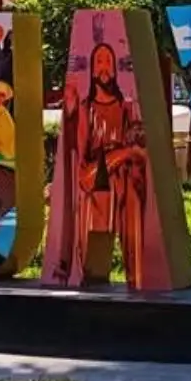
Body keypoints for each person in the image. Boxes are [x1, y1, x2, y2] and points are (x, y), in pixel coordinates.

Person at [65, 42, 148, 286]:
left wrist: (129, 155)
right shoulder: (85, 109)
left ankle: (138, 281)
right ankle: (92, 278)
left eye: (108, 62)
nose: (104, 67)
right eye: (99, 61)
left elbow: (140, 150)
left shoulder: (125, 107)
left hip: (127, 180)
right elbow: (82, 163)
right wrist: (122, 154)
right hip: (98, 183)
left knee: (134, 236)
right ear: (92, 69)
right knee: (95, 238)